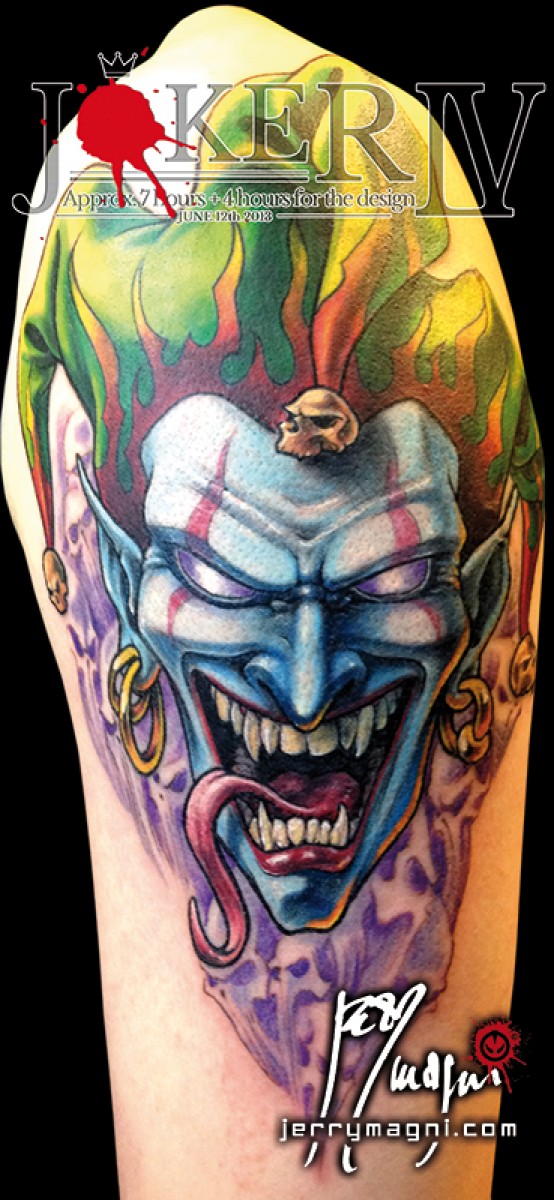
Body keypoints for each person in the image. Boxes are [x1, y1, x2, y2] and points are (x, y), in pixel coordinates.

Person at [3, 8, 543, 1197]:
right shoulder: (168, 161)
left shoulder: (358, 167)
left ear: (481, 590)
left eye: (385, 584)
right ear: (116, 577)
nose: (304, 688)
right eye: (229, 585)